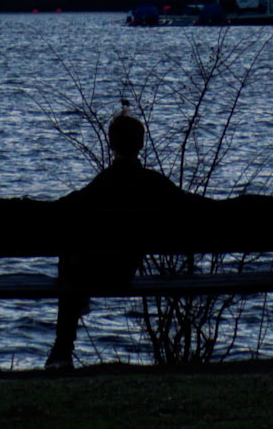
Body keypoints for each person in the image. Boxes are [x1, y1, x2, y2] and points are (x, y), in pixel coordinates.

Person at [45, 104, 194, 370]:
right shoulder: (154, 183)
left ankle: (62, 349)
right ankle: (62, 346)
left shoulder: (102, 184)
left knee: (70, 264)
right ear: (141, 144)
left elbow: (64, 209)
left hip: (92, 273)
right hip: (125, 270)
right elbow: (192, 206)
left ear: (111, 144)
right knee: (74, 265)